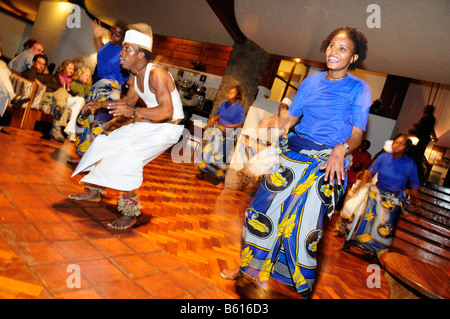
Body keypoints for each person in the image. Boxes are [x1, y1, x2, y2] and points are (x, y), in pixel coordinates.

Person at [221, 27, 371, 299]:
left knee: (303, 228)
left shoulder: (359, 88)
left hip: (328, 162)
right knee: (259, 212)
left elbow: (358, 134)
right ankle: (249, 269)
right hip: (293, 154)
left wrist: (342, 148)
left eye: (343, 48)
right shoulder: (310, 82)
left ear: (354, 57)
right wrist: (266, 124)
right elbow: (288, 121)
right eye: (332, 45)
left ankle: (298, 286)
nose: (334, 52)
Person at [69, 28, 184, 230]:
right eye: (123, 48)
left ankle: (129, 213)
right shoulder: (135, 74)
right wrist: (101, 105)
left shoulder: (157, 74)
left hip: (168, 127)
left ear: (140, 54)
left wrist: (133, 112)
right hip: (150, 121)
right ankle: (95, 192)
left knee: (128, 157)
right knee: (105, 142)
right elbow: (129, 101)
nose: (121, 53)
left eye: (127, 49)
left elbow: (166, 111)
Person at [342, 134, 420, 258]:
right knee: (359, 213)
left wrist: (416, 202)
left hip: (394, 198)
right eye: (396, 142)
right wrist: (358, 187)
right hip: (377, 191)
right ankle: (349, 241)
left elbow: (415, 185)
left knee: (385, 224)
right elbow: (370, 172)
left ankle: (379, 253)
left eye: (401, 144)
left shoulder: (410, 163)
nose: (397, 145)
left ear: (407, 148)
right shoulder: (383, 157)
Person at [74, 20, 129, 156]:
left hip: (109, 90)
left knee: (99, 123)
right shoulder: (108, 46)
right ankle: (83, 154)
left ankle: (91, 157)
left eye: (117, 35)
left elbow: (129, 71)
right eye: (113, 32)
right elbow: (101, 53)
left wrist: (117, 83)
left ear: (123, 38)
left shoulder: (123, 52)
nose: (113, 35)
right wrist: (97, 36)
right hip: (96, 87)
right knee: (86, 119)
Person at [195, 86, 245, 188]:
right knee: (207, 152)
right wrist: (214, 119)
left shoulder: (239, 108)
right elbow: (219, 115)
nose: (229, 94)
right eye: (229, 92)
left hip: (229, 135)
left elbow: (241, 123)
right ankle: (202, 172)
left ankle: (221, 181)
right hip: (218, 131)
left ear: (237, 96)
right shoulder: (224, 104)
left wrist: (229, 127)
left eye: (232, 93)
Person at [333, 139, 372, 237]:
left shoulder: (367, 156)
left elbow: (365, 168)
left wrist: (360, 168)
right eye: (362, 144)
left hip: (356, 177)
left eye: (365, 146)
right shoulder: (353, 151)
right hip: (348, 173)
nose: (363, 146)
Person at [408, 105, 437, 183]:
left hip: (423, 138)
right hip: (423, 138)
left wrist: (415, 129)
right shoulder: (431, 119)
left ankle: (416, 167)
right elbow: (430, 129)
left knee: (418, 153)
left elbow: (426, 128)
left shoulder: (427, 119)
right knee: (419, 152)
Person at [48, 60, 75, 142]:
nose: (71, 71)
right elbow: (52, 88)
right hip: (53, 97)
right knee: (63, 91)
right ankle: (57, 129)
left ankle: (57, 128)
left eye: (73, 69)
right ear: (64, 68)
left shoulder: (70, 81)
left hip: (63, 101)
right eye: (70, 68)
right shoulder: (55, 77)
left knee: (78, 100)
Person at [64, 66, 93, 141]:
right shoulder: (74, 83)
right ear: (81, 74)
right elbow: (79, 95)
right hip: (69, 101)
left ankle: (71, 133)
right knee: (81, 100)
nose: (88, 77)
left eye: (89, 76)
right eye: (86, 75)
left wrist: (87, 87)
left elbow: (89, 96)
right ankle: (72, 132)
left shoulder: (87, 86)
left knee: (78, 105)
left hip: (77, 105)